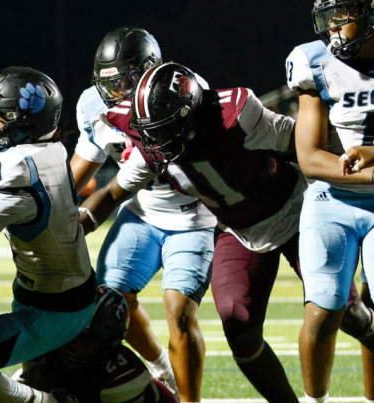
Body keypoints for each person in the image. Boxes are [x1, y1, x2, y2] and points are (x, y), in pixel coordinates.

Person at [79, 61, 374, 402]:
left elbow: (303, 145)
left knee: (349, 315)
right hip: (240, 230)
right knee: (238, 325)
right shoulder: (152, 146)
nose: (155, 140)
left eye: (163, 129)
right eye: (150, 131)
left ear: (190, 114)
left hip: (296, 211)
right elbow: (113, 192)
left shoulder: (237, 114)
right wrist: (75, 227)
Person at [71, 27, 216, 402]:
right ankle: (159, 364)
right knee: (107, 300)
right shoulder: (92, 104)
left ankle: (190, 401)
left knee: (179, 310)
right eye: (108, 82)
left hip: (193, 216)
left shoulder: (182, 89)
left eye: (124, 81)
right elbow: (80, 169)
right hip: (142, 211)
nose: (115, 92)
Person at [0, 66, 96, 403]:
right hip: (57, 291)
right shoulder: (45, 149)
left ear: (22, 123)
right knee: (32, 374)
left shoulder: (17, 169)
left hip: (53, 310)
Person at [287, 1, 374, 401]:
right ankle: (314, 399)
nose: (335, 28)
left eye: (344, 16)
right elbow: (310, 157)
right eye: (330, 18)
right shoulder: (315, 62)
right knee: (323, 308)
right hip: (332, 196)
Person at [13, 285, 179, 403]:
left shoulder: (123, 377)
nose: (74, 344)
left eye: (86, 339)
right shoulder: (49, 349)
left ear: (109, 344)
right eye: (72, 333)